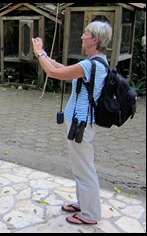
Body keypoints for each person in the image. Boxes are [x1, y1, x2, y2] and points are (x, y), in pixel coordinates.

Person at [32, 21, 112, 225]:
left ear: (94, 39)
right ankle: (82, 203)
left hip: (81, 124)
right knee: (80, 166)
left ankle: (90, 214)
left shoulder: (91, 64)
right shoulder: (96, 62)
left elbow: (54, 73)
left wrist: (39, 52)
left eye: (85, 33)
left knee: (85, 168)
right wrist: (44, 56)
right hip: (79, 122)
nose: (82, 36)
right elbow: (63, 69)